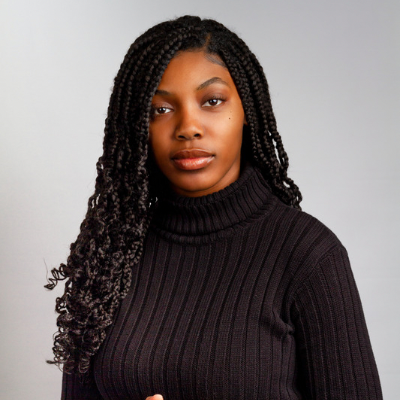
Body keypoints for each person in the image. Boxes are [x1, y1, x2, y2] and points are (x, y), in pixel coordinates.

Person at [46, 15, 383, 400]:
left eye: (212, 101)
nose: (188, 127)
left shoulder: (309, 255)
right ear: (139, 128)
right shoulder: (110, 256)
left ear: (247, 111)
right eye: (161, 109)